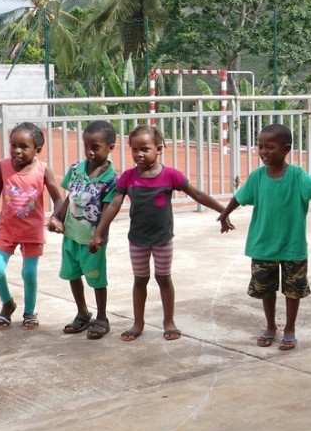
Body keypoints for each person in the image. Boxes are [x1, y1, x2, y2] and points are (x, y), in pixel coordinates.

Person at [90, 125, 230, 342]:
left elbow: (197, 194)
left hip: (162, 239)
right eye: (135, 149)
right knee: (140, 280)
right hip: (138, 240)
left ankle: (168, 321)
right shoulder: (128, 177)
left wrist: (223, 211)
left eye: (145, 149)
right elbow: (114, 204)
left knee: (164, 278)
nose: (139, 154)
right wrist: (99, 232)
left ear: (159, 149)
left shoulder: (170, 175)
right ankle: (138, 323)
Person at [218, 124, 311, 351]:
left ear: (286, 149)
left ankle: (290, 329)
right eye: (260, 146)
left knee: (293, 291)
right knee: (266, 289)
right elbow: (240, 197)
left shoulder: (297, 176)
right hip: (263, 245)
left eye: (269, 147)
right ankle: (271, 326)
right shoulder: (257, 177)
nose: (263, 151)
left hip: (293, 246)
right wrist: (224, 214)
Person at [0, 122, 63, 331]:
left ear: (37, 150)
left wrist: (56, 217)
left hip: (32, 231)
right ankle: (7, 303)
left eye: (24, 147)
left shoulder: (42, 170)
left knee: (29, 273)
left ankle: (30, 311)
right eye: (13, 145)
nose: (17, 150)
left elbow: (58, 199)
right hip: (7, 229)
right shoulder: (3, 166)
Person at [49, 120, 117, 340]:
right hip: (71, 235)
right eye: (86, 146)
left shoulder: (111, 179)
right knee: (73, 274)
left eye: (95, 147)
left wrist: (99, 235)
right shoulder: (76, 169)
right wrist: (57, 218)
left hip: (92, 240)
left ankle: (102, 317)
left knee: (97, 278)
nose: (89, 152)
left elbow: (108, 210)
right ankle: (82, 312)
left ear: (110, 147)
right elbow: (70, 197)